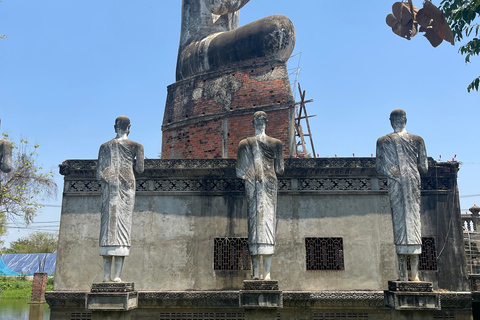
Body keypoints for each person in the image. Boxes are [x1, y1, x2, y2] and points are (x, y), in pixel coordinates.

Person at [176, 0, 295, 80]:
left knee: (281, 30)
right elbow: (217, 4)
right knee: (279, 28)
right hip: (196, 52)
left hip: (219, 42)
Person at [376, 109, 428, 281]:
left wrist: (394, 172)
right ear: (406, 120)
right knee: (413, 225)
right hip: (412, 181)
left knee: (400, 226)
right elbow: (424, 167)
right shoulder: (417, 140)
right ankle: (415, 275)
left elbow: (380, 167)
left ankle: (402, 276)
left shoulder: (383, 141)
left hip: (396, 182)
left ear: (391, 121)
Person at [236, 111, 284, 280]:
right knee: (255, 228)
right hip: (254, 186)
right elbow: (240, 171)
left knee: (268, 227)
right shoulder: (246, 143)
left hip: (269, 186)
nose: (260, 122)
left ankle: (267, 273)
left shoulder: (275, 143)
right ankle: (257, 272)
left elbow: (279, 168)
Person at [97, 116, 144, 282]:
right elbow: (140, 168)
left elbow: (98, 173)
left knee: (108, 229)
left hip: (110, 185)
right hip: (126, 185)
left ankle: (106, 275)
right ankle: (116, 276)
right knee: (123, 228)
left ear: (114, 127)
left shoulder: (104, 146)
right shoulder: (137, 146)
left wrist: (110, 176)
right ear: (129, 127)